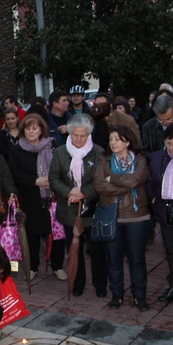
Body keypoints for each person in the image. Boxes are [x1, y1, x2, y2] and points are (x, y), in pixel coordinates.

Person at [94, 123, 151, 310]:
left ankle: (139, 296)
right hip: (112, 216)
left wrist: (114, 180)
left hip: (137, 216)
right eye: (110, 139)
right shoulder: (104, 159)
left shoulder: (140, 158)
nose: (113, 143)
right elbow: (100, 185)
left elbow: (137, 179)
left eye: (117, 139)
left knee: (137, 259)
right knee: (114, 260)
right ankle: (116, 295)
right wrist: (125, 186)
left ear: (128, 141)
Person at [49, 114, 106, 296]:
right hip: (69, 209)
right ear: (69, 133)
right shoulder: (60, 152)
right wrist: (69, 191)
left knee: (96, 250)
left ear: (89, 134)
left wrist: (83, 192)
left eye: (83, 136)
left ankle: (100, 285)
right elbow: (53, 178)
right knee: (75, 248)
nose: (78, 139)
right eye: (75, 135)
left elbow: (101, 180)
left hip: (92, 208)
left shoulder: (98, 152)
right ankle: (78, 283)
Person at [7, 113, 56, 282]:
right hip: (29, 196)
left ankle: (57, 266)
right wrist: (35, 181)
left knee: (55, 233)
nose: (31, 132)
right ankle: (33, 266)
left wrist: (52, 181)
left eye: (34, 128)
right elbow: (14, 173)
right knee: (32, 234)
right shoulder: (17, 149)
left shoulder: (52, 146)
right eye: (27, 128)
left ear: (41, 129)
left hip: (51, 196)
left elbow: (61, 167)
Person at [147, 123, 173, 305]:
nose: (172, 148)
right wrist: (153, 198)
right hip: (164, 210)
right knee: (171, 250)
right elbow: (149, 181)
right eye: (169, 143)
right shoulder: (157, 157)